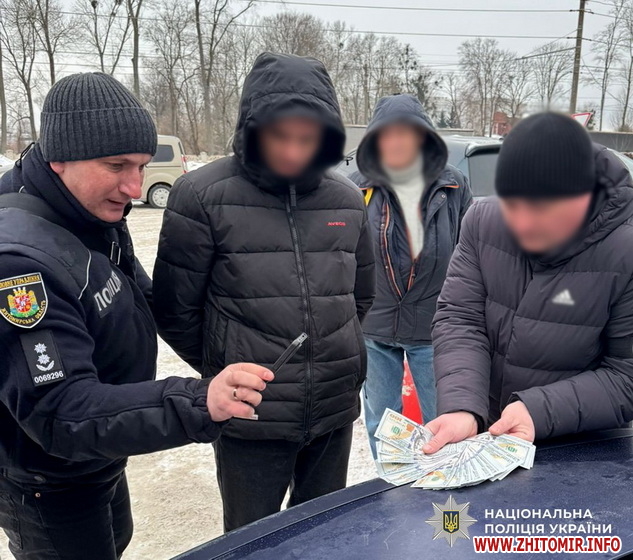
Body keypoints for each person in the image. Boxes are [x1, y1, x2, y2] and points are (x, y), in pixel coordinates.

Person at [0, 73, 272, 560]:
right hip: (51, 479)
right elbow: (61, 412)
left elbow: (139, 294)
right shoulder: (19, 265)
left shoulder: (88, 209)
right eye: (116, 165)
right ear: (59, 156)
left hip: (101, 450)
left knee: (117, 539)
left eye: (142, 166)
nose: (134, 186)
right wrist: (198, 401)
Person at [153, 52, 376, 532]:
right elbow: (175, 311)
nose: (293, 151)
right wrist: (226, 366)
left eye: (307, 138)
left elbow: (359, 296)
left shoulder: (345, 199)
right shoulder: (201, 195)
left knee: (325, 537)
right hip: (251, 417)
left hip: (333, 410)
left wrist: (334, 358)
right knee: (251, 541)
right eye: (279, 136)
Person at [423, 112, 633, 454]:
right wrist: (463, 405)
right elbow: (460, 318)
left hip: (583, 452)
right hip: (490, 431)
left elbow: (626, 375)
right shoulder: (482, 221)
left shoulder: (625, 251)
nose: (521, 223)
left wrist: (538, 410)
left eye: (540, 209)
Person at [349, 94, 472, 457]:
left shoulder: (453, 185)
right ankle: (393, 483)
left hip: (433, 327)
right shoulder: (356, 187)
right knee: (383, 424)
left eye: (407, 133)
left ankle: (442, 483)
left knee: (444, 421)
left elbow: (470, 253)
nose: (398, 142)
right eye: (388, 134)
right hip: (375, 326)